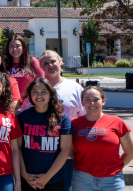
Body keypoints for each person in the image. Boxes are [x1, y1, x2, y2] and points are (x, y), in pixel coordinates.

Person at [36, 50, 86, 191]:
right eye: (45, 63)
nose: (50, 65)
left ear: (60, 62)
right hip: (41, 152)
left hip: (68, 153)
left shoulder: (74, 88)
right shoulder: (36, 88)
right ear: (41, 67)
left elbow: (84, 117)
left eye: (53, 61)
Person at [71, 86, 133, 191]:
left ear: (103, 101)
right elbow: (69, 150)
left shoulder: (117, 122)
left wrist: (115, 168)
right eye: (87, 99)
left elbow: (131, 152)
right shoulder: (74, 123)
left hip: (112, 180)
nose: (92, 103)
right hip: (82, 179)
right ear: (82, 102)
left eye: (96, 99)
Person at [18, 78, 73, 191]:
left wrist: (47, 177)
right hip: (27, 179)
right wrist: (24, 175)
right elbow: (17, 149)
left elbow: (65, 150)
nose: (39, 95)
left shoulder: (62, 118)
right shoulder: (22, 117)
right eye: (35, 92)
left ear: (50, 94)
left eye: (44, 92)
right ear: (30, 95)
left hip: (54, 179)